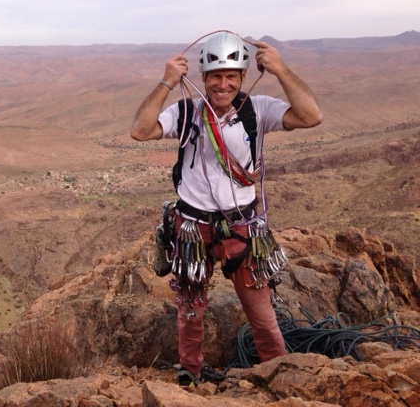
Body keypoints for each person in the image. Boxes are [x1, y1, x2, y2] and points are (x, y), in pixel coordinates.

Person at [130, 31, 323, 386]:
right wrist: (166, 82)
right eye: (216, 76)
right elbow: (141, 131)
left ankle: (278, 374)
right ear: (203, 78)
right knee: (190, 311)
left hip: (241, 228)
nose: (222, 84)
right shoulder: (187, 111)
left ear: (242, 78)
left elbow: (311, 116)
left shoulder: (258, 110)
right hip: (193, 227)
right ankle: (190, 372)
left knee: (260, 311)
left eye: (230, 76)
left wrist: (280, 69)